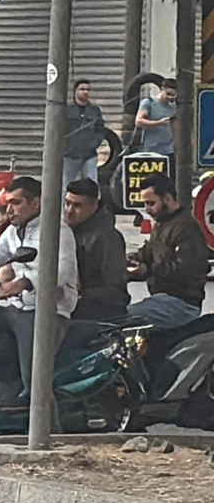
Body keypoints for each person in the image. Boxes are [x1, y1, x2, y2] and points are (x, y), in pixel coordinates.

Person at [0, 176, 79, 405]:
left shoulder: (58, 232)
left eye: (16, 203)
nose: (9, 210)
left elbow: (60, 272)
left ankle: (48, 423)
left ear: (36, 203)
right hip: (15, 307)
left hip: (44, 312)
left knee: (36, 385)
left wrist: (23, 283)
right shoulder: (13, 231)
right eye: (8, 203)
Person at [127, 174, 208, 328]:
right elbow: (149, 253)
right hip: (162, 299)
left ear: (167, 199)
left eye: (151, 203)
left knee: (124, 318)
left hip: (182, 304)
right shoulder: (161, 224)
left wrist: (148, 269)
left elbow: (184, 271)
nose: (147, 209)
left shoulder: (187, 228)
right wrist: (131, 260)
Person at [64, 178, 129, 321]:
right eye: (67, 204)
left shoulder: (108, 237)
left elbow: (115, 288)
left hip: (98, 312)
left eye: (77, 206)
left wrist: (78, 295)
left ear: (93, 205)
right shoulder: (68, 231)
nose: (70, 211)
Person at [63, 79, 106, 187]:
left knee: (92, 184)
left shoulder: (95, 110)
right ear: (75, 91)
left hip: (89, 155)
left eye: (88, 89)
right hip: (70, 155)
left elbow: (100, 129)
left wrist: (94, 144)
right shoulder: (67, 109)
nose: (86, 92)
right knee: (66, 185)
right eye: (82, 89)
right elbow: (60, 129)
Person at [135, 78, 178, 158]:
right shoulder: (149, 103)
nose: (170, 97)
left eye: (173, 95)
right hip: (150, 149)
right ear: (162, 89)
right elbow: (139, 121)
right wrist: (159, 123)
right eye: (168, 94)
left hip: (169, 150)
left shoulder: (173, 107)